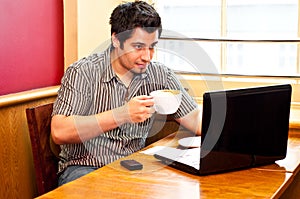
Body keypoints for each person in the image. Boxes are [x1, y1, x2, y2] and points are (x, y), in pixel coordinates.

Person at [51, 0, 201, 186]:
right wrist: (122, 114)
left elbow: (194, 118)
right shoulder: (83, 72)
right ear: (116, 39)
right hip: (84, 168)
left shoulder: (160, 73)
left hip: (135, 167)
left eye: (152, 46)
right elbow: (59, 131)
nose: (147, 56)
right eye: (138, 47)